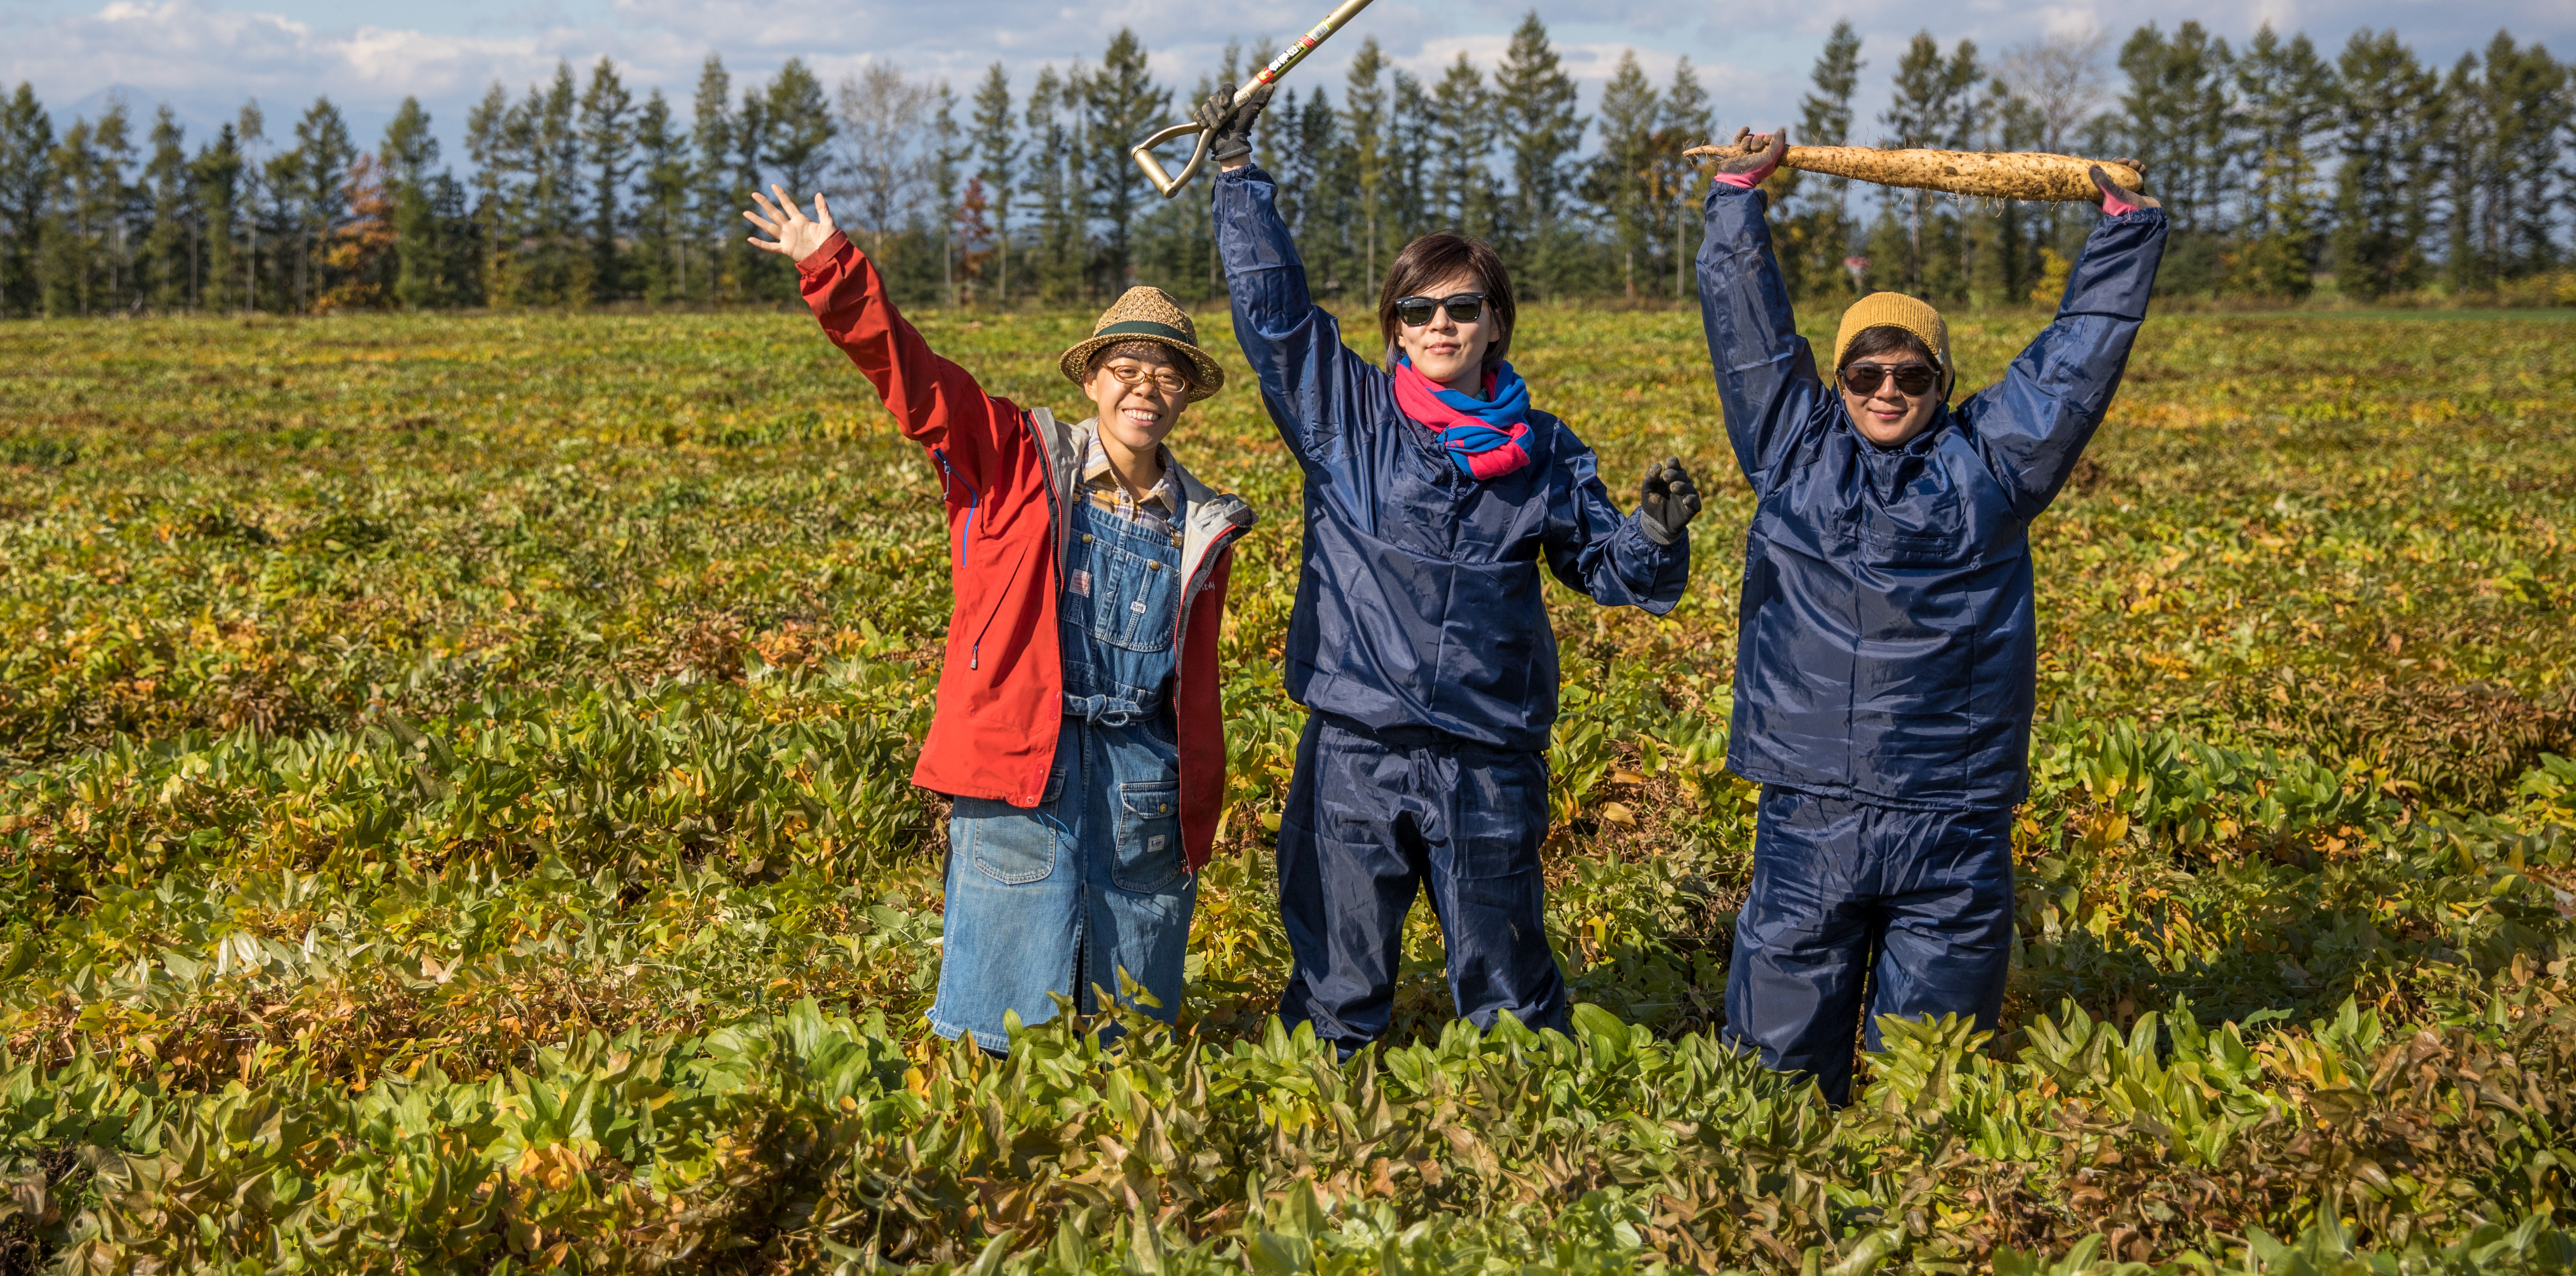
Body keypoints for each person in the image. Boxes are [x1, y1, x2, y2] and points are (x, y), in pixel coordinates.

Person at [1197, 90, 1704, 1054]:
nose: (1441, 323)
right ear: (1393, 325)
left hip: (1488, 755)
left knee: (1509, 995)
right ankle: (1320, 1145)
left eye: (1462, 307)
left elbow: (1602, 565)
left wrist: (1654, 536)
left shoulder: (1546, 449)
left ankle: (1523, 1167)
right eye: (1418, 308)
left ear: (1495, 323)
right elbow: (1276, 319)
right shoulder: (1347, 419)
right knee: (1339, 989)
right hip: (1357, 745)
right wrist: (1237, 179)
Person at [1693, 127, 2165, 1105]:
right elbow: (1747, 331)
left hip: (1952, 813)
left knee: (1931, 1085)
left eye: (1912, 374)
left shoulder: (1995, 464)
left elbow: (2076, 362)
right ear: (1838, 383)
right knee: (1775, 1077)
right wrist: (1737, 194)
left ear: (1943, 383)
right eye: (1865, 374)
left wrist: (2125, 231)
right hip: (1813, 801)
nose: (1888, 390)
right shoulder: (1791, 451)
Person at [745, 184, 1253, 1052]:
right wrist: (831, 268)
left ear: (1185, 395)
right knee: (997, 1019)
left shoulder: (1202, 519)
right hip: (1027, 754)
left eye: (1166, 371)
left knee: (1128, 1020)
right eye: (1125, 366)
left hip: (1143, 774)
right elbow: (915, 381)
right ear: (1092, 379)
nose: (1145, 385)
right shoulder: (1015, 456)